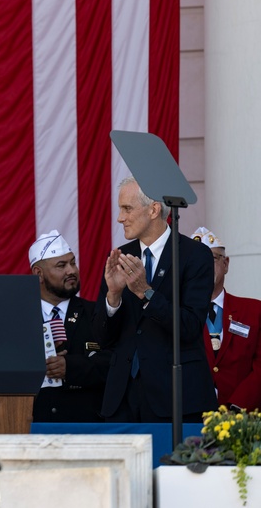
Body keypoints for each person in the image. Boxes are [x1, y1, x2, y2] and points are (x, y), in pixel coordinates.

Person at [93, 176, 217, 422]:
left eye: (127, 209)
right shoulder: (121, 256)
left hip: (175, 399)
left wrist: (146, 292)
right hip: (123, 400)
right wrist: (113, 297)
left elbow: (190, 327)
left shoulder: (194, 255)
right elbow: (101, 338)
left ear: (154, 209)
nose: (120, 218)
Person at [28, 230, 109, 422]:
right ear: (39, 274)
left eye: (73, 262)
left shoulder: (96, 313)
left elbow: (115, 363)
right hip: (32, 429)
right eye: (61, 265)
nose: (71, 270)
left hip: (86, 430)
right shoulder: (21, 319)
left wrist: (71, 367)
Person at [192, 227, 261, 411]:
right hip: (191, 419)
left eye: (212, 259)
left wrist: (237, 407)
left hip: (244, 421)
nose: (204, 265)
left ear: (226, 264)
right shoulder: (174, 314)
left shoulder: (254, 311)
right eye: (196, 260)